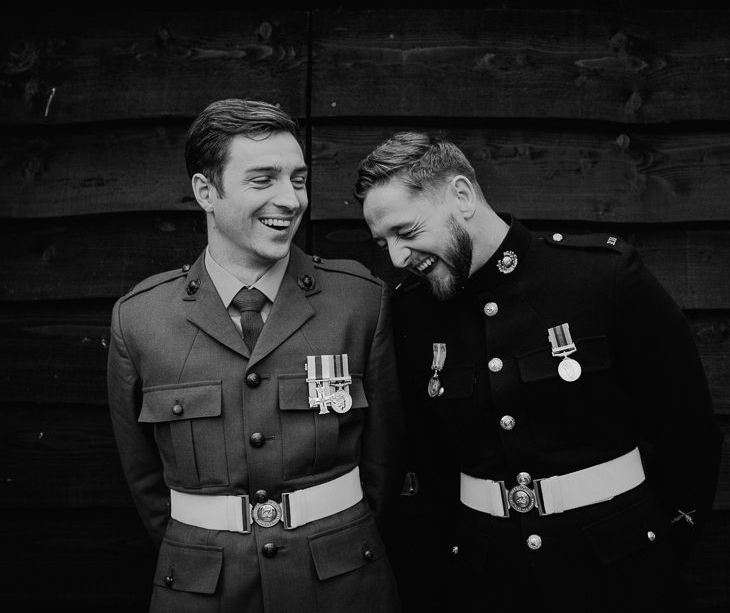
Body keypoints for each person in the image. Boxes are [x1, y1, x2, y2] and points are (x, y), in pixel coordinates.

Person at [355, 131, 722, 612]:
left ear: (461, 196)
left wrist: (661, 549)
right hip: (486, 580)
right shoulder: (413, 313)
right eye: (384, 243)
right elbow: (429, 462)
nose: (398, 258)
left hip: (622, 572)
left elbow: (687, 430)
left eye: (406, 232)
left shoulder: (601, 278)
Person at [107, 99, 403, 613]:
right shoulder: (141, 318)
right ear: (206, 192)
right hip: (203, 589)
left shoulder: (358, 301)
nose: (290, 199)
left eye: (299, 179)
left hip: (343, 585)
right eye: (263, 180)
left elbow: (385, 460)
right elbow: (144, 481)